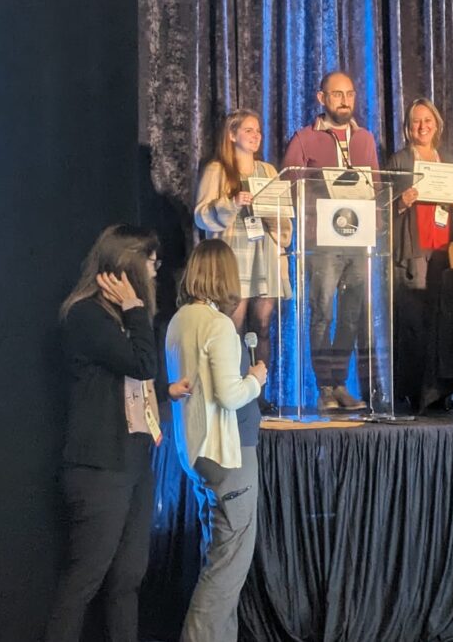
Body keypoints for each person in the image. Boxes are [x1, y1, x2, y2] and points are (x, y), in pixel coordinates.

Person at [46, 224, 188, 642]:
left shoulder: (124, 318)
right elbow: (140, 364)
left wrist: (167, 390)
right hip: (99, 466)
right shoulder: (86, 314)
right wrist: (136, 310)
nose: (156, 269)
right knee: (85, 579)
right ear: (127, 263)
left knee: (128, 577)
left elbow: (132, 381)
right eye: (150, 261)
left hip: (133, 461)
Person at [165, 239, 267, 642]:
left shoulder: (179, 320)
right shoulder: (218, 324)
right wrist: (256, 380)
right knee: (227, 569)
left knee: (218, 555)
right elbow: (230, 394)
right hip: (229, 453)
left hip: (196, 452)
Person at [281, 71, 378, 412]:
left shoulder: (365, 138)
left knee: (351, 317)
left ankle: (340, 382)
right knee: (322, 312)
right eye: (337, 94)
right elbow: (289, 187)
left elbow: (377, 188)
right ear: (321, 98)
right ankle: (324, 387)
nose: (345, 100)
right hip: (321, 242)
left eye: (350, 93)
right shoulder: (304, 139)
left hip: (358, 240)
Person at [194, 109, 292, 414]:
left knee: (262, 326)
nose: (256, 136)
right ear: (232, 134)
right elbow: (202, 215)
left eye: (258, 131)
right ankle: (232, 387)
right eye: (249, 130)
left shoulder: (269, 171)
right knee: (232, 326)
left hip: (265, 256)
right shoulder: (217, 170)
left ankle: (260, 392)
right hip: (234, 257)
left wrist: (273, 217)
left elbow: (285, 218)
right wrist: (231, 204)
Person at [386, 98, 453, 410]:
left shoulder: (448, 159)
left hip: (443, 250)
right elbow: (383, 210)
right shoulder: (399, 160)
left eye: (427, 121)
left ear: (437, 125)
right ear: (408, 128)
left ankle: (440, 392)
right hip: (413, 251)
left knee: (441, 321)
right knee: (414, 322)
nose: (422, 127)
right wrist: (402, 203)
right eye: (416, 121)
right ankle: (414, 391)